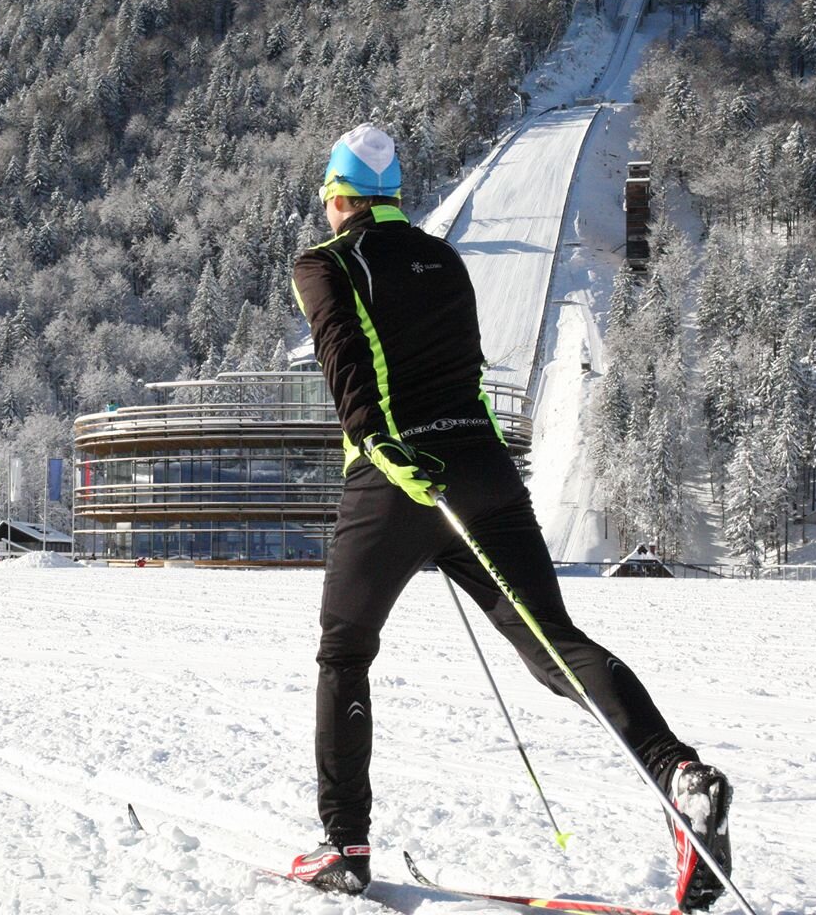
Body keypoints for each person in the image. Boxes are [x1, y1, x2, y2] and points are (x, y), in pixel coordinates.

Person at [286, 124, 732, 910]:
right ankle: (680, 774)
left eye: (328, 198)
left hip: (398, 483)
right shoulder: (445, 259)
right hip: (485, 474)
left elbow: (350, 379)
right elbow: (459, 371)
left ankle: (345, 846)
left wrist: (396, 464)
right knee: (556, 647)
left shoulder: (323, 266)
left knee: (343, 652)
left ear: (340, 198)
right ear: (393, 198)